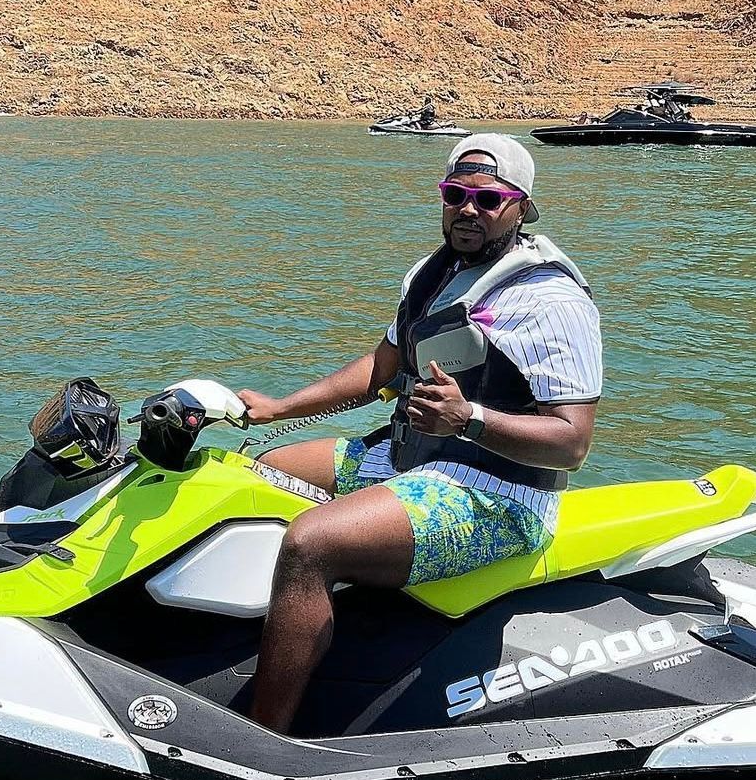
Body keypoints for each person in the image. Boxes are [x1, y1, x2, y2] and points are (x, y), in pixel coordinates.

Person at [237, 134, 603, 733]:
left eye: (487, 200)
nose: (468, 210)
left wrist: (471, 419)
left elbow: (572, 441)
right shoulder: (432, 275)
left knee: (311, 544)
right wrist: (278, 407)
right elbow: (382, 370)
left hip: (497, 494)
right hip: (409, 457)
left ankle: (265, 735)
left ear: (519, 206)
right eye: (456, 195)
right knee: (258, 474)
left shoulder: (548, 300)